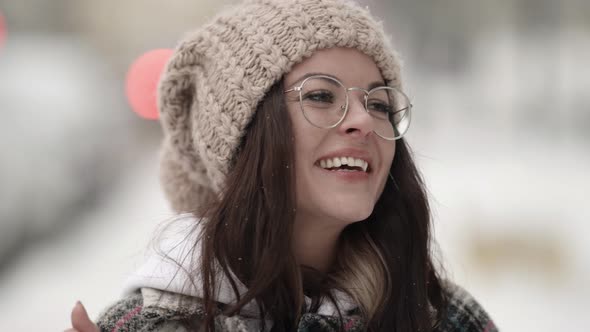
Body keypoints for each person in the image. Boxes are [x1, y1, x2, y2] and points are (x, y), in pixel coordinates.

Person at [66, 0, 498, 331]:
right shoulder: (152, 324)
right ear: (244, 138)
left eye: (379, 103)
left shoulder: (440, 315)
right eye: (321, 96)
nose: (365, 121)